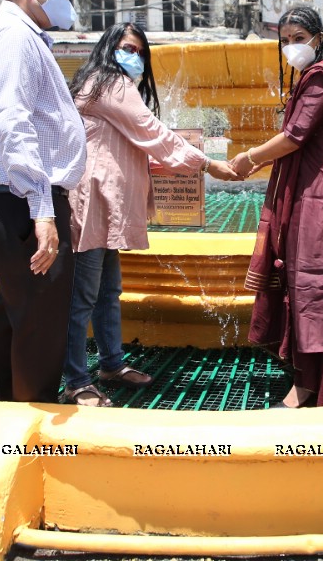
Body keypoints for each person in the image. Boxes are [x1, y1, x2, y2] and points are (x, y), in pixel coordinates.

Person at [66, 23, 239, 407]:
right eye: (128, 48)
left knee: (107, 292)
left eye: (141, 52)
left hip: (105, 203)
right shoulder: (108, 83)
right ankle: (76, 380)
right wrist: (207, 164)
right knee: (82, 298)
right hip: (92, 201)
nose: (135, 57)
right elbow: (153, 132)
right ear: (109, 48)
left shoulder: (104, 83)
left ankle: (111, 364)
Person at [228, 6, 323, 408]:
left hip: (319, 200)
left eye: (298, 38)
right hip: (319, 194)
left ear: (318, 38)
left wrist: (248, 157)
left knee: (312, 289)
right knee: (312, 287)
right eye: (285, 40)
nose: (291, 47)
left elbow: (294, 135)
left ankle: (311, 386)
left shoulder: (321, 77)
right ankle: (312, 379)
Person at [0, 0, 87, 403]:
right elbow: (13, 123)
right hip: (19, 202)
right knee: (40, 323)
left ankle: (8, 413)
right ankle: (33, 431)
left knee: (20, 313)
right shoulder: (13, 36)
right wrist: (42, 211)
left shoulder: (18, 34)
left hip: (13, 199)